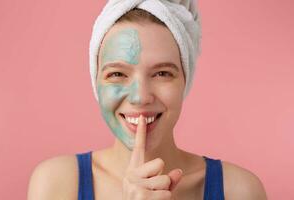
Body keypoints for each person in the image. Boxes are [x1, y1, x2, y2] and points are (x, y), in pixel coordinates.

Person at [27, 1, 267, 200]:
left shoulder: (239, 190)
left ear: (186, 80)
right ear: (96, 82)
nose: (140, 97)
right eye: (117, 74)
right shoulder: (56, 184)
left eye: (162, 73)